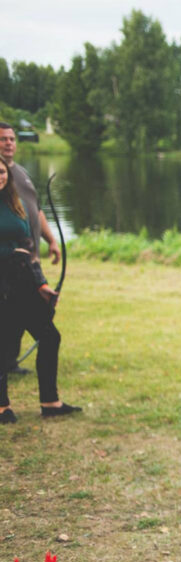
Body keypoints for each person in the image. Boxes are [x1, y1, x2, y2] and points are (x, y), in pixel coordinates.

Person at [0, 157, 80, 423]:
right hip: (2, 284)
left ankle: (50, 402)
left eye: (1, 172)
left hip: (23, 280)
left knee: (49, 336)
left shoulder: (16, 204)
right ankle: (1, 407)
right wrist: (10, 253)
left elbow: (28, 247)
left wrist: (41, 284)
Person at [0, 122, 62, 377]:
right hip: (7, 266)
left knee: (33, 314)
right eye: (3, 139)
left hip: (28, 262)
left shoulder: (21, 175)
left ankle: (9, 363)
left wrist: (51, 240)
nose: (9, 143)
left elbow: (34, 211)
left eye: (12, 139)